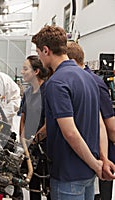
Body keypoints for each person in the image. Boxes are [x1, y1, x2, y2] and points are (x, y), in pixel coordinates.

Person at [32, 25, 104, 200]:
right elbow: (99, 123)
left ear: (46, 50)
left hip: (68, 175)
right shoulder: (90, 78)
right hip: (88, 173)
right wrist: (103, 159)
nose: (39, 58)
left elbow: (70, 132)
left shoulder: (56, 83)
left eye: (39, 53)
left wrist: (96, 164)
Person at [67, 41, 115, 200]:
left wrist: (104, 157)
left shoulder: (94, 82)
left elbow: (109, 124)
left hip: (101, 152)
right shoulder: (83, 80)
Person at [19, 55, 51, 200]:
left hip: (45, 147)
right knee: (33, 185)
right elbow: (23, 116)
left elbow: (49, 122)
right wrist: (22, 139)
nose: (22, 72)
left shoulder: (48, 91)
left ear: (36, 71)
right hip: (30, 146)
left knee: (48, 186)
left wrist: (34, 141)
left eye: (25, 69)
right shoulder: (27, 92)